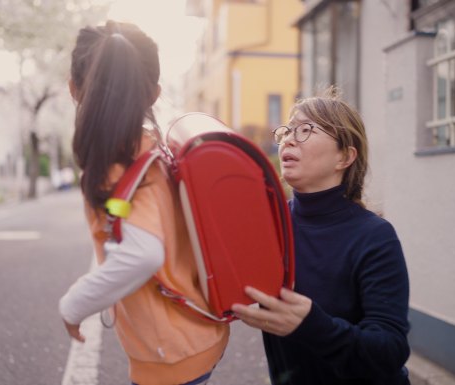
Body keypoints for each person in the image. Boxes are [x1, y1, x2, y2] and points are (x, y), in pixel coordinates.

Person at [58, 21, 229, 385]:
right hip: (191, 336)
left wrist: (72, 306)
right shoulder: (153, 151)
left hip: (171, 355)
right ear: (153, 94)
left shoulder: (116, 164)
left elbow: (142, 254)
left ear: (73, 89)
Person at [231, 87, 411, 385]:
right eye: (287, 130)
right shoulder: (269, 225)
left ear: (345, 156)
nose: (288, 138)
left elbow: (390, 351)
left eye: (304, 130)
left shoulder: (375, 236)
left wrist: (313, 325)